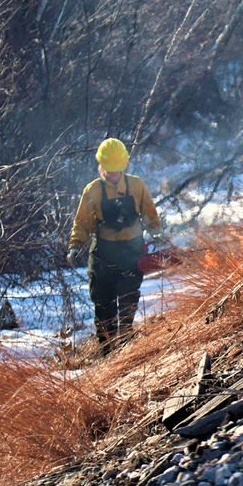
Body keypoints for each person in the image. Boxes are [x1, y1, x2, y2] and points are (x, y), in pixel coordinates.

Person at [67, 138, 164, 355]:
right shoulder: (92, 190)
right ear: (101, 166)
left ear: (124, 166)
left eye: (117, 170)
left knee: (128, 300)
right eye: (109, 170)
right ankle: (107, 353)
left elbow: (149, 213)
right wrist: (75, 245)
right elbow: (82, 223)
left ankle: (127, 348)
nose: (113, 174)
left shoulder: (137, 185)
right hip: (104, 254)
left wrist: (157, 234)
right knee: (103, 306)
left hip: (132, 251)